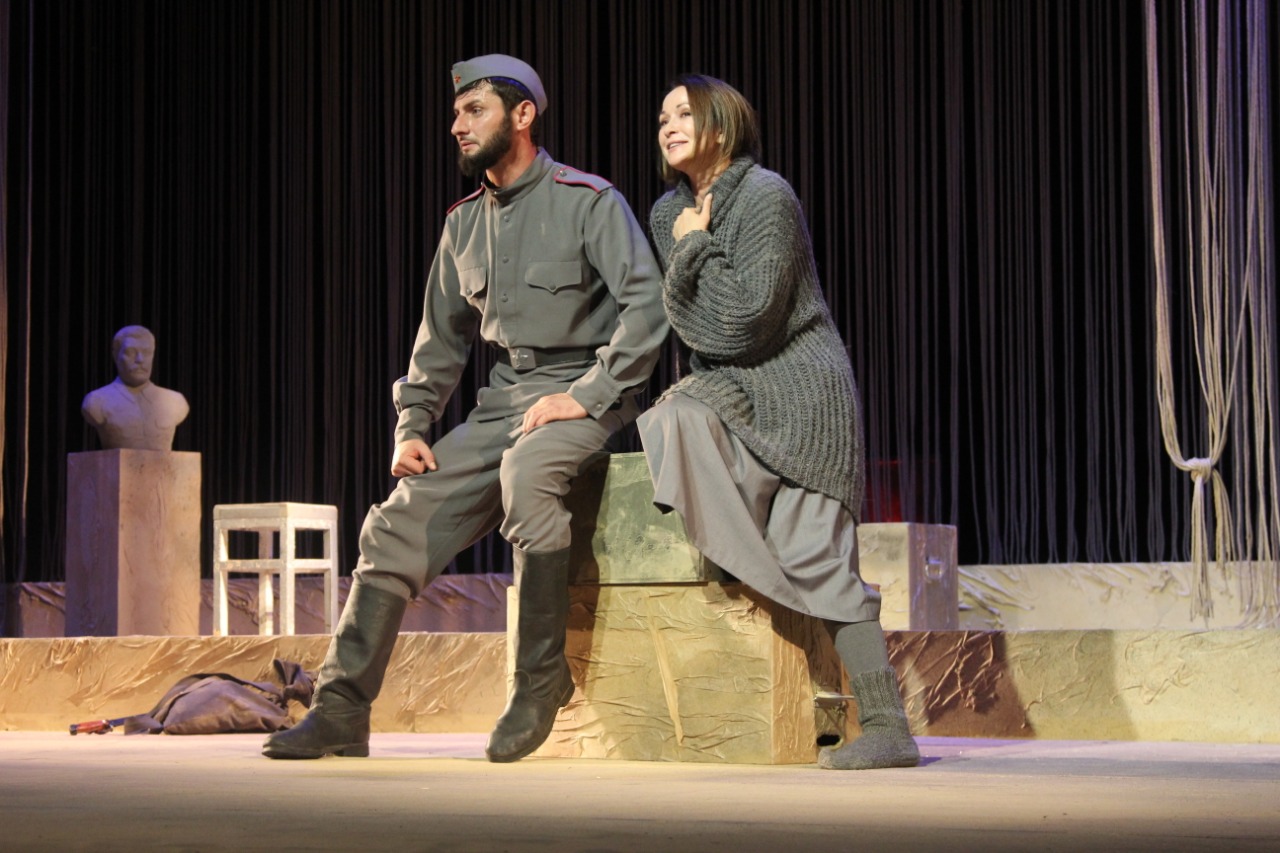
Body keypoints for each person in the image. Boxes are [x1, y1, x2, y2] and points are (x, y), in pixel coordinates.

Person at [263, 55, 667, 762]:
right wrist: (412, 427)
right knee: (395, 522)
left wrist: (585, 396)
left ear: (523, 115)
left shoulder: (588, 201)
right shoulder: (463, 224)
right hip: (503, 401)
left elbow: (647, 311)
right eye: (456, 113)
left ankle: (540, 680)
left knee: (528, 474)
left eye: (474, 110)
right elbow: (440, 342)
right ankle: (341, 708)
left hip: (590, 395)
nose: (457, 125)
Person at [637, 74, 919, 770]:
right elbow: (698, 326)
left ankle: (889, 726)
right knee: (674, 417)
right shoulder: (668, 212)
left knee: (818, 552)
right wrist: (690, 246)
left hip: (802, 392)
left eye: (685, 113)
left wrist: (695, 248)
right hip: (733, 384)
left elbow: (744, 319)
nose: (669, 125)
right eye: (663, 116)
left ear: (723, 125)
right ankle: (758, 572)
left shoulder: (767, 196)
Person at [82, 325, 190, 452]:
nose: (140, 359)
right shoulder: (96, 401)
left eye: (147, 352)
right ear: (116, 356)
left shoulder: (175, 401)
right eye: (130, 352)